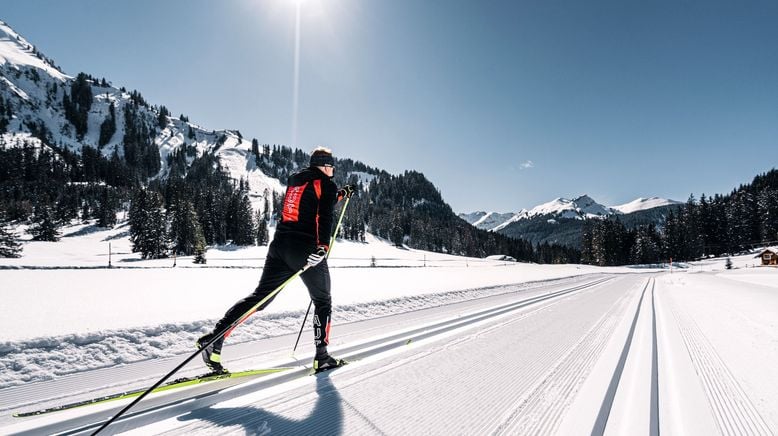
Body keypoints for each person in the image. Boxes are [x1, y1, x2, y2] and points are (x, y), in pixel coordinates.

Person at [197, 146, 355, 374]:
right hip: (306, 250)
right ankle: (322, 357)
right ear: (324, 165)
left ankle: (215, 339)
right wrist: (322, 247)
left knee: (261, 298)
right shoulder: (325, 184)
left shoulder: (298, 181)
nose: (333, 171)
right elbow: (325, 215)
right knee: (322, 300)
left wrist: (340, 194)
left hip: (279, 246)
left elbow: (315, 202)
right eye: (331, 166)